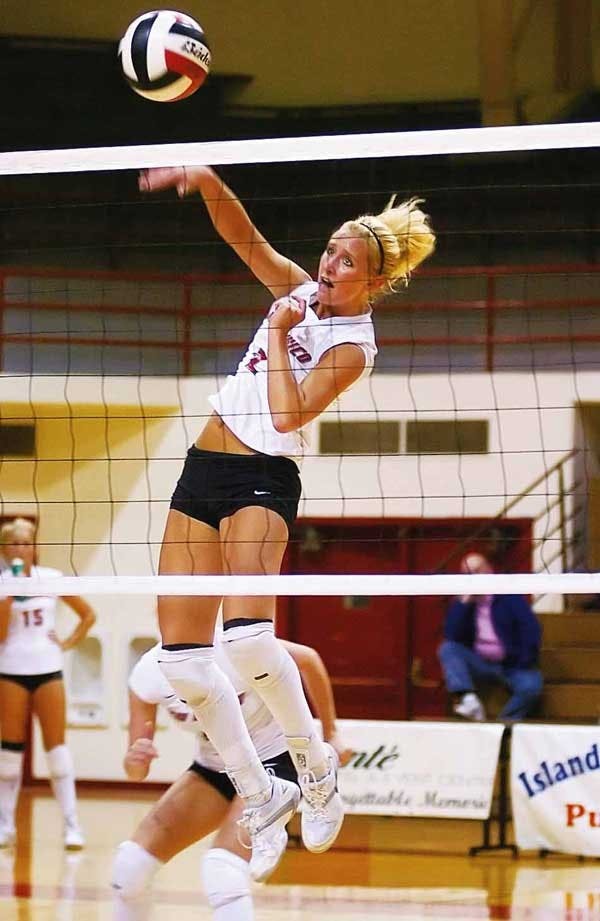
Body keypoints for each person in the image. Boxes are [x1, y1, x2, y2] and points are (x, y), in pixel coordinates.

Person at [139, 165, 435, 874]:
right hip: (201, 470)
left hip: (263, 478)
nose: (330, 265)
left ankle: (315, 765)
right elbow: (244, 236)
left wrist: (277, 333)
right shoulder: (299, 289)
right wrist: (206, 178)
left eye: (346, 261)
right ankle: (259, 787)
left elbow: (286, 414)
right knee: (182, 658)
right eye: (330, 251)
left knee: (246, 640)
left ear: (375, 280)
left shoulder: (353, 346)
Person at [112, 635, 352, 920]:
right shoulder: (147, 675)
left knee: (222, 872)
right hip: (215, 768)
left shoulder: (232, 645)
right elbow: (135, 772)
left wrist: (331, 732)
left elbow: (308, 660)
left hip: (273, 760)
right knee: (129, 868)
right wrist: (135, 759)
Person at [0, 517, 96, 849]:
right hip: (11, 669)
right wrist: (9, 593)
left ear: (35, 548)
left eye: (26, 543)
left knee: (57, 751)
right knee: (10, 755)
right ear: (4, 549)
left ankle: (72, 826)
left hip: (47, 668)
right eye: (14, 543)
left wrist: (67, 643)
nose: (20, 549)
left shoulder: (51, 579)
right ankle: (5, 826)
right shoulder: (1, 584)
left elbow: (88, 615)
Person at [437, 552, 543, 721]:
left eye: (477, 571)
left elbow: (531, 630)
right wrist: (464, 604)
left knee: (531, 686)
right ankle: (468, 699)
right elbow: (451, 634)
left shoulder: (509, 597)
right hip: (481, 662)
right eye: (467, 574)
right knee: (448, 649)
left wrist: (523, 661)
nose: (473, 577)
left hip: (512, 665)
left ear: (489, 570)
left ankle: (503, 723)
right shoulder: (464, 603)